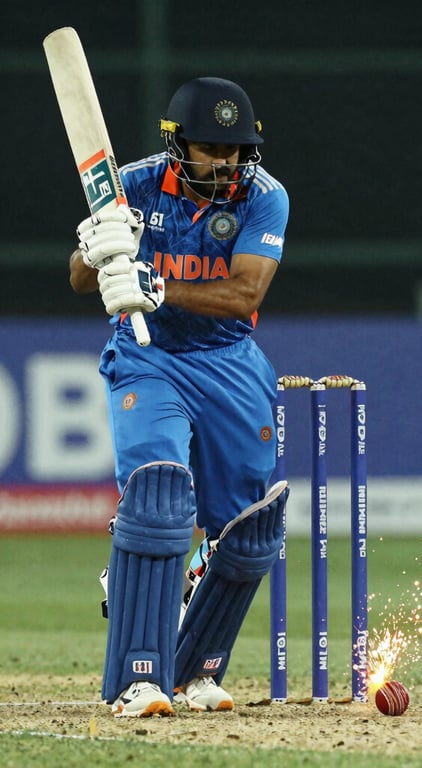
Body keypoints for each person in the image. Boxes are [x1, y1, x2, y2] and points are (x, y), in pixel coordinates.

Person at [69, 77, 290, 717]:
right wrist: (98, 248)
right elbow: (81, 277)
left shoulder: (265, 197)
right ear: (178, 144)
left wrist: (156, 283)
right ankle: (140, 679)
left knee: (245, 530)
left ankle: (195, 670)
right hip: (149, 358)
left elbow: (246, 294)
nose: (224, 162)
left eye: (234, 149)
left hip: (228, 359)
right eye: (210, 148)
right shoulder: (132, 185)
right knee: (160, 493)